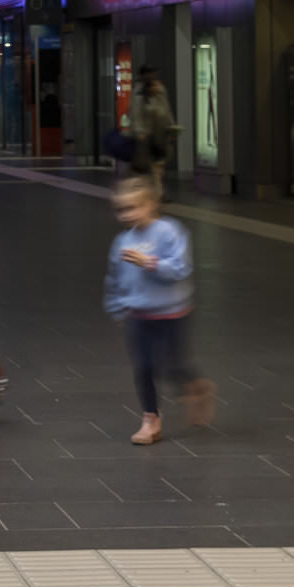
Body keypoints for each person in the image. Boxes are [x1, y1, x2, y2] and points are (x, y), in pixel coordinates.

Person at [104, 175, 213, 446]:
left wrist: (150, 263)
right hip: (138, 315)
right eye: (122, 209)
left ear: (151, 205)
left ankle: (196, 386)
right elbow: (115, 277)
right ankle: (150, 420)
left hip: (171, 314)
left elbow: (180, 269)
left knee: (172, 366)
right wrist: (118, 306)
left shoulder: (170, 232)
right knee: (143, 367)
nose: (127, 215)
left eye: (133, 207)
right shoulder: (121, 241)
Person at [131, 70, 180, 186]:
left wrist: (172, 129)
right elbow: (136, 115)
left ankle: (156, 191)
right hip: (148, 136)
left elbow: (167, 112)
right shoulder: (140, 96)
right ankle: (153, 191)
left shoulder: (160, 93)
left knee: (157, 166)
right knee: (151, 165)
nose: (157, 88)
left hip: (159, 135)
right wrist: (140, 132)